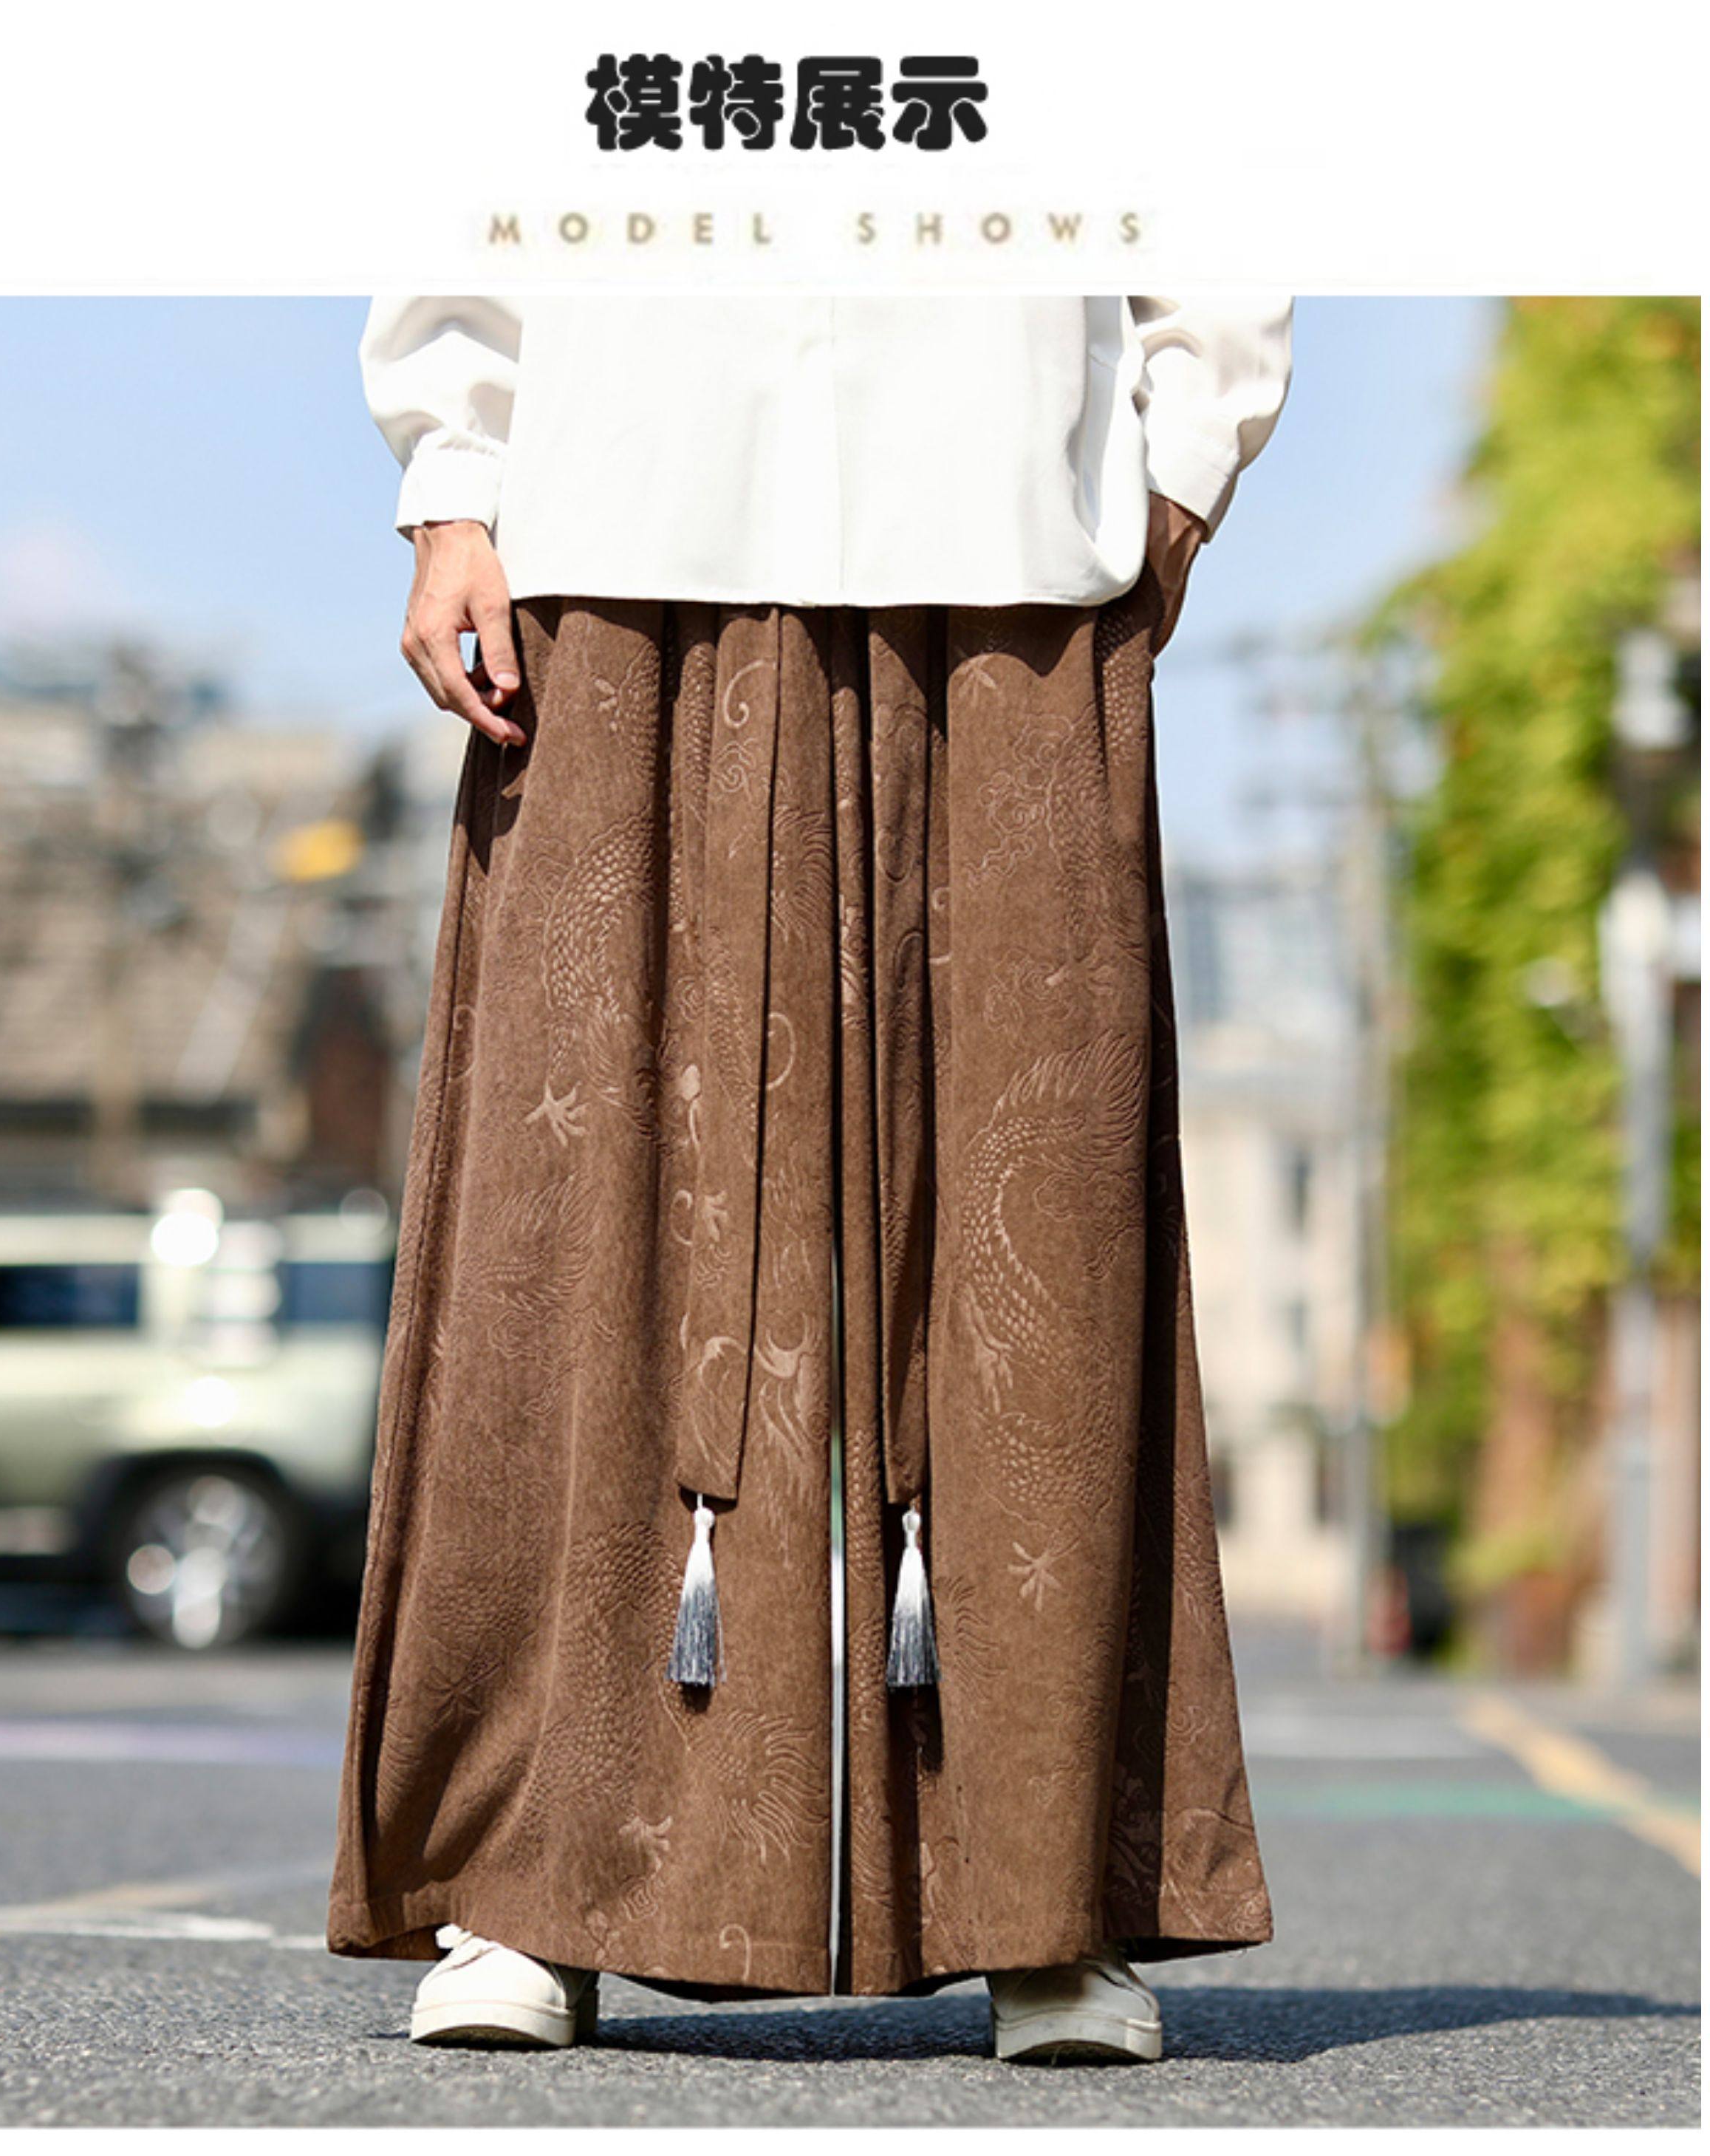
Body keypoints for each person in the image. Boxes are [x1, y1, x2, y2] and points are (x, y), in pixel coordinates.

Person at [326, 291, 1293, 2064]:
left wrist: (1179, 460)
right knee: (580, 1208)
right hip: (619, 516)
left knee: (1027, 1229)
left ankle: (1047, 1898)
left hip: (1011, 525)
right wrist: (456, 484)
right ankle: (529, 1882)